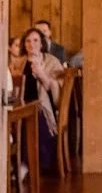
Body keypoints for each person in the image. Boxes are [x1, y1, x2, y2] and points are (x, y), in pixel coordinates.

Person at [12, 27, 64, 171]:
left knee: (33, 119)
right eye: (28, 41)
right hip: (21, 105)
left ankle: (26, 165)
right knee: (21, 117)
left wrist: (41, 74)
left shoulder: (52, 61)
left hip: (43, 106)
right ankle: (16, 163)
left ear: (42, 44)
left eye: (35, 40)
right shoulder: (19, 62)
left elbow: (57, 88)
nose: (32, 44)